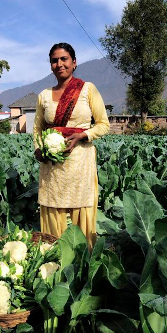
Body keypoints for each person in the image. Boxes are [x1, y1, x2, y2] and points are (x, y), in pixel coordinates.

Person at [33, 42, 110, 248]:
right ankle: (53, 264)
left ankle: (83, 264)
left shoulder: (87, 89)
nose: (59, 64)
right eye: (54, 60)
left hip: (80, 164)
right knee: (52, 211)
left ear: (74, 63)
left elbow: (103, 125)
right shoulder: (44, 96)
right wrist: (39, 150)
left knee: (81, 213)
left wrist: (82, 135)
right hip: (52, 169)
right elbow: (37, 130)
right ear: (51, 65)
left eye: (64, 59)